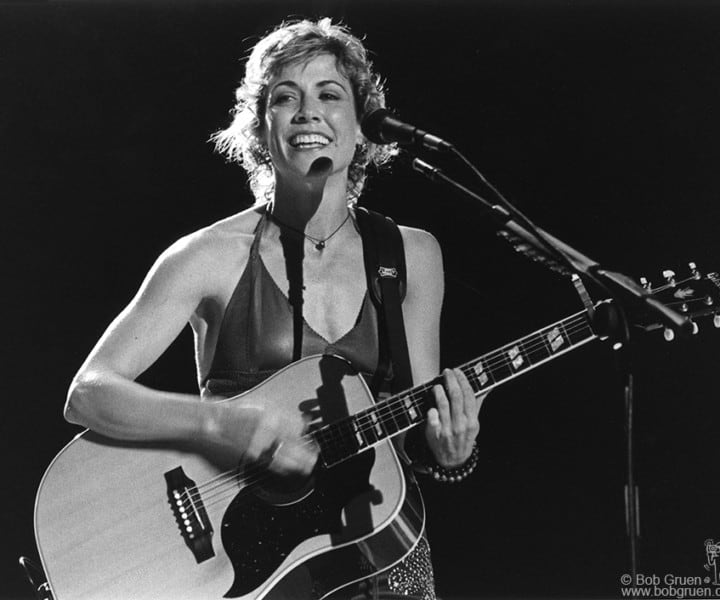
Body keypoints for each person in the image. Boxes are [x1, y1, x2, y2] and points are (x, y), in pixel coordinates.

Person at [64, 18, 482, 600]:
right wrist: (223, 424)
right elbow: (89, 393)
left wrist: (449, 452)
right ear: (262, 129)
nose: (308, 112)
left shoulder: (413, 255)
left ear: (363, 127)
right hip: (251, 568)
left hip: (379, 557)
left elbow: (410, 427)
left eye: (330, 95)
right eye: (286, 97)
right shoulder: (207, 256)